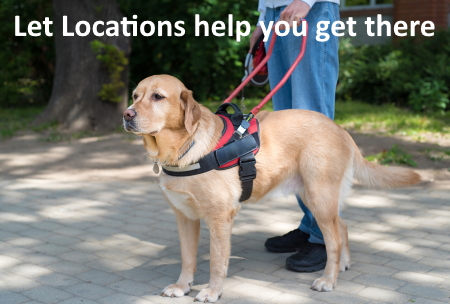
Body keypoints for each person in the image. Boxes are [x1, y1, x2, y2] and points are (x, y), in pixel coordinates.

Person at [249, 0, 340, 272]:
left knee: (313, 128)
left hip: (311, 10)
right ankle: (310, 224)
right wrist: (262, 19)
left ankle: (325, 237)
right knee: (288, 131)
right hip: (276, 15)